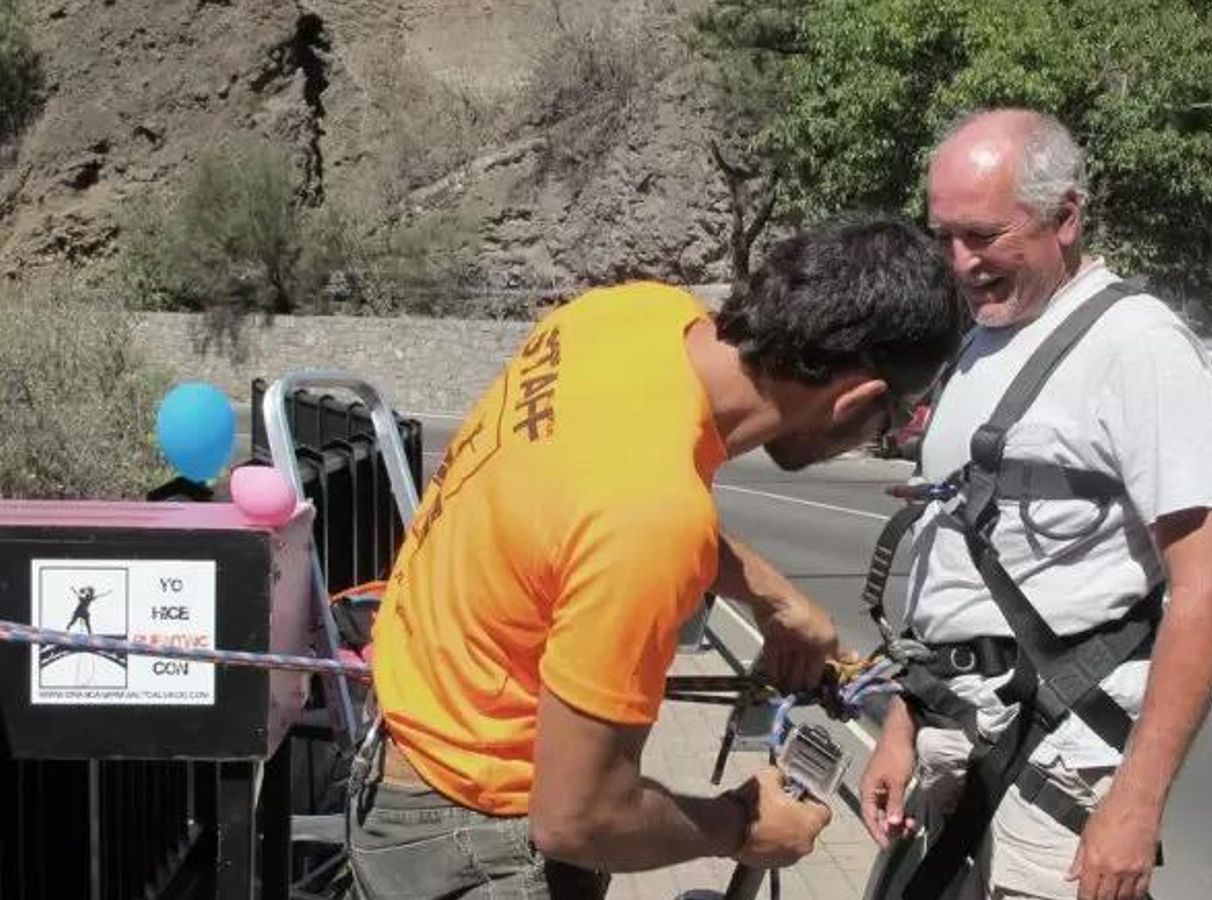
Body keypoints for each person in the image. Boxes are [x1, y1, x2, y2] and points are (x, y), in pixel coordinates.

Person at [346, 214, 968, 898]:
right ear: (860, 397)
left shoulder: (627, 314)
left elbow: (585, 508)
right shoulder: (649, 516)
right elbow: (578, 819)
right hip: (477, 838)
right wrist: (742, 824)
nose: (888, 431)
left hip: (397, 764)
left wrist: (776, 599)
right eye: (897, 417)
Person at [858, 108, 1212, 900]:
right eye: (946, 238)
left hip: (1063, 765)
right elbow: (954, 560)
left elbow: (1209, 593)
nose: (961, 264)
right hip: (955, 744)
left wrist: (1135, 807)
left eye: (984, 236)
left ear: (1066, 217)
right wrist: (904, 720)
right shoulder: (982, 342)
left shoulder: (1137, 347)